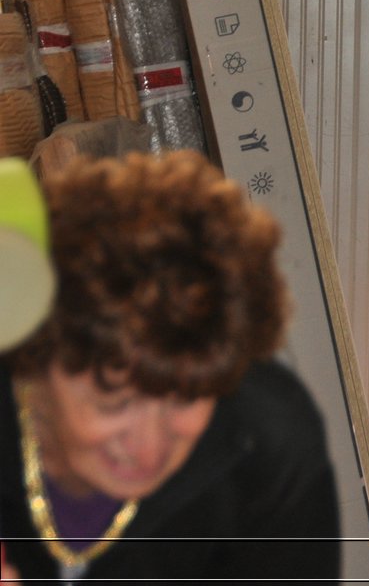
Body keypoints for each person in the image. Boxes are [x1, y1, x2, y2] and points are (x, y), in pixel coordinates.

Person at [0, 150, 340, 582]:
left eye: (187, 397)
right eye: (115, 403)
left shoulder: (266, 446)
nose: (148, 449)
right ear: (35, 358)